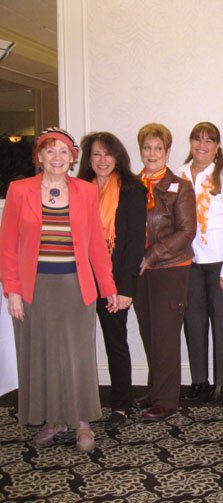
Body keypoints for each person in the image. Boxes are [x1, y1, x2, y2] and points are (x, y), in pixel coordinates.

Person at [0, 127, 117, 452]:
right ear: (39, 156)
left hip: (75, 288)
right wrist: (12, 289)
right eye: (50, 151)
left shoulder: (85, 191)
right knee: (43, 356)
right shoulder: (20, 190)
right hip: (33, 289)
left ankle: (81, 422)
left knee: (76, 356)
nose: (57, 157)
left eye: (63, 152)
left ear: (72, 158)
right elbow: (7, 245)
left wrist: (108, 288)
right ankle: (53, 419)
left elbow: (95, 245)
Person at [77, 132, 147, 429]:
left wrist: (125, 288)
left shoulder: (132, 189)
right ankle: (76, 403)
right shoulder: (78, 189)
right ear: (87, 159)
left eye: (108, 154)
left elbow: (134, 243)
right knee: (76, 345)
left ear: (118, 157)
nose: (102, 160)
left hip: (113, 280)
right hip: (79, 278)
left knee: (115, 342)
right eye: (95, 154)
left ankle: (121, 405)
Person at [179, 122, 223, 404]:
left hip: (222, 261)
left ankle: (222, 382)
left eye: (209, 140)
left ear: (217, 146)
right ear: (191, 142)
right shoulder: (180, 175)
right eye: (197, 139)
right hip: (190, 261)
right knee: (193, 320)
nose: (202, 145)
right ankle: (199, 380)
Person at [134, 123, 196, 420]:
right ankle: (155, 389)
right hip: (140, 271)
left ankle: (167, 400)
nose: (152, 153)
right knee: (148, 332)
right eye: (147, 147)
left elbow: (187, 232)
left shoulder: (181, 186)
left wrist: (152, 255)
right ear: (141, 151)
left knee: (165, 334)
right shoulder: (131, 186)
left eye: (159, 148)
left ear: (168, 152)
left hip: (171, 267)